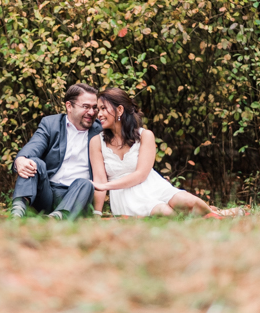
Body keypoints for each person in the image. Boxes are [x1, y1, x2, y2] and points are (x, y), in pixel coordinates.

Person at [90, 87, 230, 217]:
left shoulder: (145, 135)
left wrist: (106, 186)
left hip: (153, 186)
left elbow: (140, 175)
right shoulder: (96, 142)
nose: (99, 114)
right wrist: (97, 213)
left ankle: (219, 214)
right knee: (166, 213)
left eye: (103, 108)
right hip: (125, 197)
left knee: (187, 202)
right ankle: (216, 215)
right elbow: (100, 180)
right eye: (98, 109)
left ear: (119, 110)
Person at [10, 83, 103, 220]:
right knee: (32, 162)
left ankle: (56, 218)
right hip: (47, 192)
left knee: (86, 183)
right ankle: (17, 213)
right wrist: (21, 159)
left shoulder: (101, 131)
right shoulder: (51, 124)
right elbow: (34, 146)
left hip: (77, 195)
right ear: (69, 106)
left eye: (94, 107)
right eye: (86, 107)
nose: (91, 112)